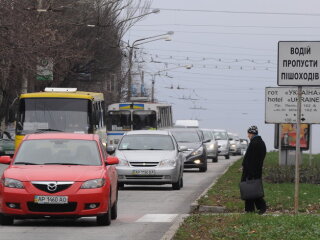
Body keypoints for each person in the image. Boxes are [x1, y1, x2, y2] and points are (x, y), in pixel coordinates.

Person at [241, 125, 267, 214]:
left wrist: (249, 172)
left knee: (250, 190)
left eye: (248, 134)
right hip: (255, 170)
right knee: (253, 190)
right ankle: (253, 209)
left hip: (251, 171)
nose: (248, 136)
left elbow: (251, 160)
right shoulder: (260, 142)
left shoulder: (254, 143)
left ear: (251, 134)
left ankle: (258, 208)